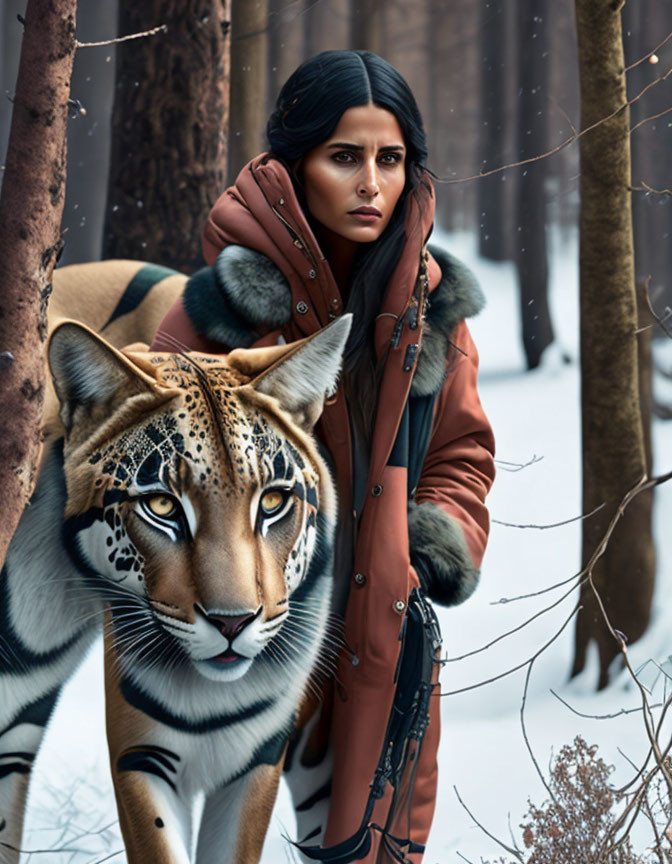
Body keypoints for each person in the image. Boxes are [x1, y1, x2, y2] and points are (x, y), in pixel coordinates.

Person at [153, 50, 495, 863]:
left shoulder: (432, 314)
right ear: (293, 165)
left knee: (372, 844)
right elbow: (156, 467)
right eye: (345, 158)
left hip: (375, 633)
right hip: (234, 634)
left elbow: (463, 452)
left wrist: (421, 544)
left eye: (391, 159)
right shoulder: (217, 313)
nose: (372, 183)